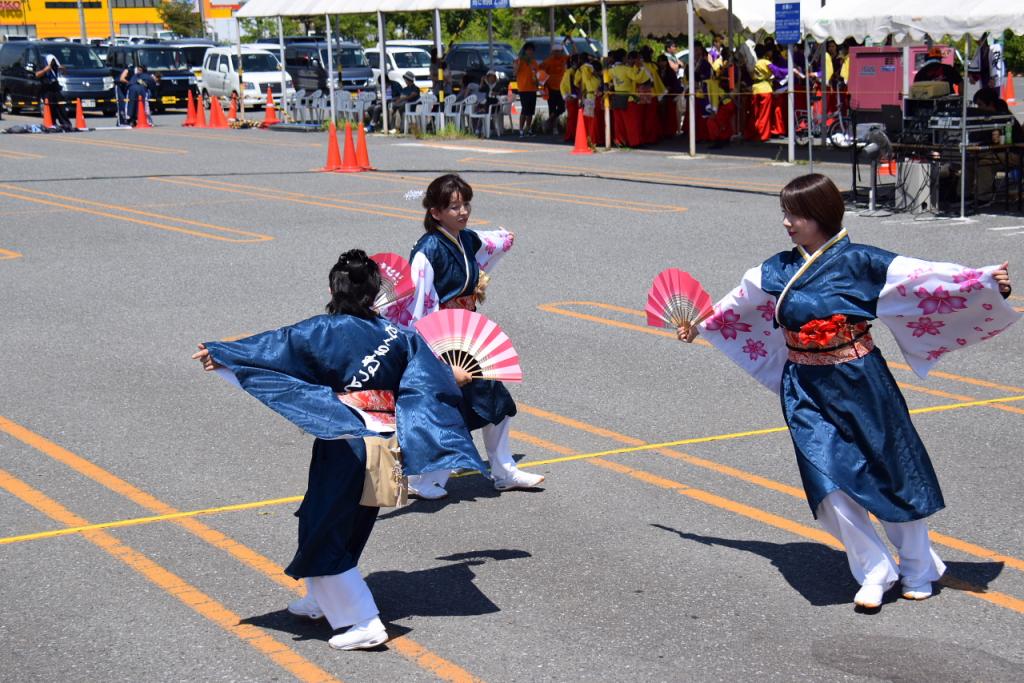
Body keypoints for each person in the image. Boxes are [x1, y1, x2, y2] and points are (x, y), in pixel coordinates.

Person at [680, 174, 1017, 609]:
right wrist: (700, 325)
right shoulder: (775, 269)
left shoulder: (861, 262)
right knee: (828, 483)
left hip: (861, 381)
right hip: (803, 387)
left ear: (820, 215)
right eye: (784, 212)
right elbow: (735, 304)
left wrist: (983, 282)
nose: (786, 222)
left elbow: (925, 278)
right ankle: (875, 570)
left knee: (888, 472)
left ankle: (917, 565)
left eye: (795, 214)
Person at [192, 249, 487, 649]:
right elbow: (429, 383)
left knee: (324, 525)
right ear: (374, 293)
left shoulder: (322, 330)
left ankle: (364, 621)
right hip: (386, 442)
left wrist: (225, 354)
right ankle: (322, 600)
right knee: (349, 521)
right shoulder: (398, 335)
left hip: (346, 441)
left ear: (334, 288)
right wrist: (452, 378)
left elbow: (276, 347)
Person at [384, 174, 545, 499]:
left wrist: (506, 238)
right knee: (445, 408)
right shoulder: (428, 249)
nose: (462, 211)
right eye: (453, 206)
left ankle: (503, 470)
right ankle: (422, 478)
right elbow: (419, 303)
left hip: (466, 335)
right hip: (441, 339)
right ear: (435, 212)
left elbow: (491, 243)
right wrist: (432, 352)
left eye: (465, 204)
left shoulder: (465, 239)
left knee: (493, 398)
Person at [35, 54, 71, 129]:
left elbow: (65, 73)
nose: (53, 63)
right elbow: (37, 74)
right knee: (50, 106)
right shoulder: (42, 65)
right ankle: (51, 123)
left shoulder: (55, 66)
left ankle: (65, 123)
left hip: (55, 87)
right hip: (46, 88)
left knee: (61, 105)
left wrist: (62, 69)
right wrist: (45, 70)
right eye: (52, 62)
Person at [540, 43, 568, 135]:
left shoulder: (564, 59)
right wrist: (543, 83)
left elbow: (574, 55)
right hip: (551, 88)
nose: (558, 53)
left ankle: (547, 122)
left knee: (562, 108)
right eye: (556, 51)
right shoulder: (548, 61)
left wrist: (571, 43)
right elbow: (539, 70)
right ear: (552, 52)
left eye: (559, 51)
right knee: (552, 109)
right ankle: (553, 128)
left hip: (561, 88)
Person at [514, 44, 539, 137]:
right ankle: (520, 130)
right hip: (523, 89)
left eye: (531, 50)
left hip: (533, 89)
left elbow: (538, 75)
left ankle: (528, 129)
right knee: (525, 110)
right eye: (528, 50)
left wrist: (537, 81)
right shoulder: (520, 61)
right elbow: (515, 72)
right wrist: (517, 63)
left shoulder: (534, 63)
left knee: (531, 111)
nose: (530, 52)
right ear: (525, 51)